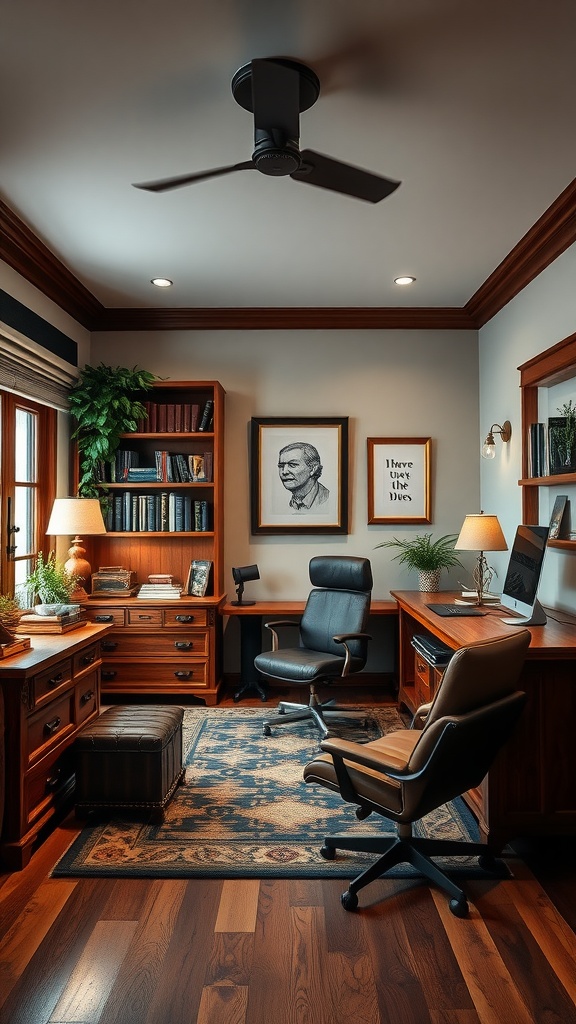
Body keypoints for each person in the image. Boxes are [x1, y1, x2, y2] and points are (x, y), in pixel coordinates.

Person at [277, 442, 330, 511]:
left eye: (293, 465)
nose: (284, 472)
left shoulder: (329, 500)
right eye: (281, 466)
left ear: (313, 469)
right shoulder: (287, 505)